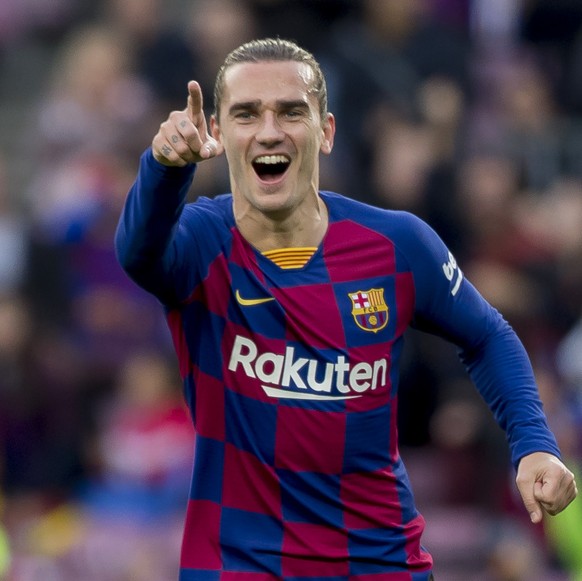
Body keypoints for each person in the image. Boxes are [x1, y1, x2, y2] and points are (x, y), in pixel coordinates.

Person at [115, 38, 577, 580]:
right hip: (239, 567)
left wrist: (534, 444)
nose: (269, 131)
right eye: (246, 114)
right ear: (217, 133)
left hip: (379, 563)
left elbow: (487, 335)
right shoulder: (201, 244)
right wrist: (164, 168)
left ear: (326, 131)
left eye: (291, 112)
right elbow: (138, 254)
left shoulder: (396, 244)